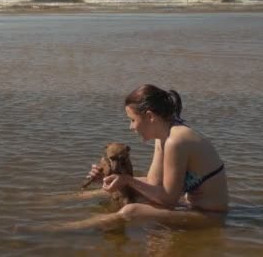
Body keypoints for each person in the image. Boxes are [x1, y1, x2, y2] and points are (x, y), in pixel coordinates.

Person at [59, 84, 228, 231]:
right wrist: (112, 178)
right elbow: (153, 182)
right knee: (114, 189)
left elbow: (168, 200)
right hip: (189, 205)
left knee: (131, 211)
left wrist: (127, 180)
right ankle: (56, 201)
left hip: (210, 216)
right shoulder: (164, 136)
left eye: (132, 120)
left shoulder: (176, 141)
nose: (131, 127)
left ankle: (63, 229)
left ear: (150, 116)